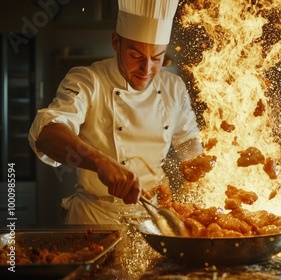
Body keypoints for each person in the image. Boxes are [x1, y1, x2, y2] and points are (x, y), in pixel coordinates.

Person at [28, 0, 203, 224]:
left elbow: (188, 141)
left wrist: (203, 169)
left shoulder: (173, 87)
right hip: (96, 218)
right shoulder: (88, 81)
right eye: (136, 56)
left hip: (154, 219)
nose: (147, 69)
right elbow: (46, 134)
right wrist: (100, 162)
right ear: (116, 42)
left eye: (157, 58)